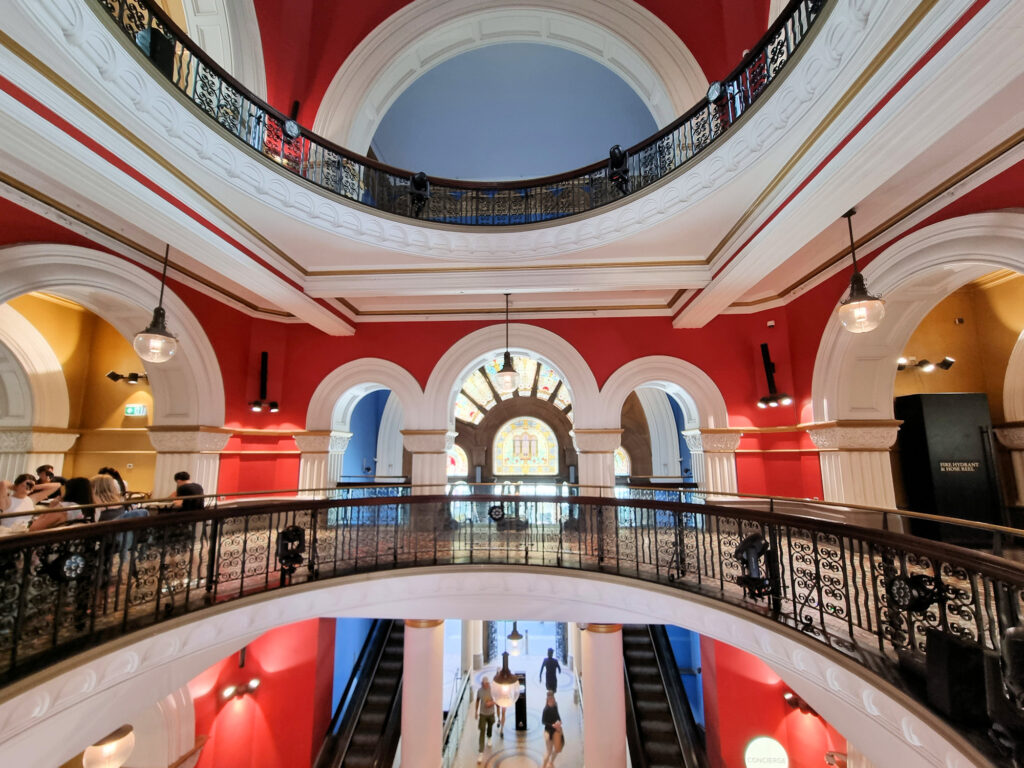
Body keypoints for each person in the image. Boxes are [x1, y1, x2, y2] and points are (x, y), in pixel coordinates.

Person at [29, 477, 94, 530]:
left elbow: (33, 528)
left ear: (69, 491)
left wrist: (51, 508)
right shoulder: (90, 509)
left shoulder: (62, 509)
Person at [474, 675, 496, 763]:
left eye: (487, 683)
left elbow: (496, 699)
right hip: (482, 714)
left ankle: (489, 736)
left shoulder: (492, 690)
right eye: (485, 683)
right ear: (482, 683)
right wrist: (476, 712)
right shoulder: (479, 691)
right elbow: (477, 701)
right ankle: (481, 752)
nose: (486, 685)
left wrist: (491, 703)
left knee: (491, 725)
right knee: (482, 730)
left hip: (491, 714)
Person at [541, 690, 564, 768]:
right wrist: (552, 725)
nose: (552, 700)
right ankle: (543, 766)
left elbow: (557, 715)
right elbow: (543, 722)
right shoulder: (546, 710)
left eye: (553, 699)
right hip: (548, 732)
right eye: (550, 699)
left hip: (555, 731)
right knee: (549, 752)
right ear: (547, 700)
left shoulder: (555, 705)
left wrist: (560, 721)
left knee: (557, 749)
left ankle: (551, 762)